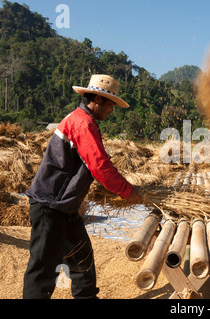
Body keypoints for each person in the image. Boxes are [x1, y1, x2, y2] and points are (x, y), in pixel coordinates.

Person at [23, 74, 142, 299]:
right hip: (50, 206)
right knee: (43, 268)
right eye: (110, 104)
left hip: (65, 208)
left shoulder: (84, 120)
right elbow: (100, 166)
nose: (112, 110)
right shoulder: (82, 122)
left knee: (81, 258)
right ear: (97, 99)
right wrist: (129, 192)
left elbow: (96, 163)